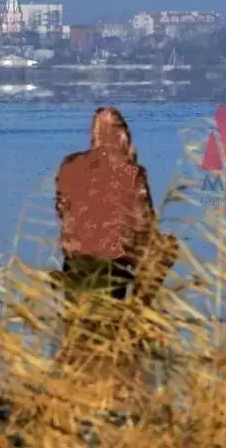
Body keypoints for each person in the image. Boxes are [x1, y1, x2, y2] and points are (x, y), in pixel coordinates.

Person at [53, 107, 178, 306]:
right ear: (124, 136)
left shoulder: (70, 165)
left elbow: (62, 209)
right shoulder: (130, 171)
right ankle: (139, 307)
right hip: (114, 266)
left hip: (75, 263)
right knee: (168, 246)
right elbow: (143, 223)